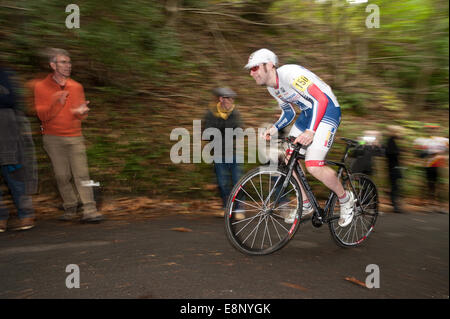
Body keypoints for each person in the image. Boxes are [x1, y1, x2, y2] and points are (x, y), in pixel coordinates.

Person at [245, 48, 355, 227]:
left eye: (255, 68)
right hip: (307, 114)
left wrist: (311, 131)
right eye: (250, 69)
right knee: (289, 157)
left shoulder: (291, 74)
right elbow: (288, 113)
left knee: (313, 165)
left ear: (270, 65)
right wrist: (274, 128)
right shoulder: (273, 88)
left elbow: (321, 99)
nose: (251, 73)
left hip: (328, 110)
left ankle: (345, 198)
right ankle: (305, 203)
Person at [34, 48, 103, 223]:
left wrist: (81, 112)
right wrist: (56, 102)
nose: (68, 65)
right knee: (62, 176)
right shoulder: (41, 87)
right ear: (52, 65)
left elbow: (80, 113)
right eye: (63, 62)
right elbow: (42, 116)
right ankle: (70, 207)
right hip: (52, 138)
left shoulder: (77, 86)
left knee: (82, 174)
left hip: (74, 136)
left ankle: (90, 210)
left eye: (69, 62)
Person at [0, 66, 37, 232]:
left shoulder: (5, 73)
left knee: (14, 173)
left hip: (7, 128)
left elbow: (10, 99)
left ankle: (25, 213)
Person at [202, 87, 243, 218]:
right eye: (228, 98)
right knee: (222, 183)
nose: (230, 101)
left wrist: (220, 132)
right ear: (221, 99)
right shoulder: (211, 114)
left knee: (237, 181)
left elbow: (239, 131)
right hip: (218, 153)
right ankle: (225, 206)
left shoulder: (235, 113)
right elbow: (206, 133)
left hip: (234, 152)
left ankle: (238, 208)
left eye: (231, 99)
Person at [415, 125, 449, 213]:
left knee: (441, 186)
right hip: (429, 166)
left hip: (440, 166)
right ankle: (430, 205)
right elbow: (418, 154)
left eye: (434, 129)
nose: (432, 131)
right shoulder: (424, 141)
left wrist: (444, 156)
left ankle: (441, 207)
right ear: (427, 131)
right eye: (430, 129)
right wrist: (428, 153)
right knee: (430, 186)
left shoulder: (443, 140)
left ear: (438, 130)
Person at [385, 126, 404, 213]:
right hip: (392, 167)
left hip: (394, 166)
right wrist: (398, 151)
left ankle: (395, 204)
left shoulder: (393, 141)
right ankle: (395, 205)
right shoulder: (390, 141)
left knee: (396, 186)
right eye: (397, 132)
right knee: (394, 186)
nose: (399, 134)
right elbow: (389, 153)